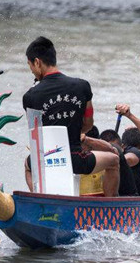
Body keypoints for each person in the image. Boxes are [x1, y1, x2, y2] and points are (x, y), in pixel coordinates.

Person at [22, 36, 119, 196]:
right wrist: (73, 130)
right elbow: (88, 123)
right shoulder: (82, 86)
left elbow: (36, 134)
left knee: (27, 165)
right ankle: (110, 207)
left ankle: (41, 200)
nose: (31, 70)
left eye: (30, 65)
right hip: (76, 159)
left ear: (37, 62)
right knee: (113, 160)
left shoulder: (29, 96)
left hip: (45, 160)